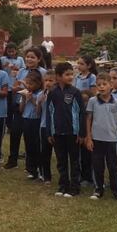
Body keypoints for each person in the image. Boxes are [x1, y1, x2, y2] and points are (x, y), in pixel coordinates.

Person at [44, 61, 85, 198]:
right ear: (58, 77)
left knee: (74, 161)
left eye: (71, 74)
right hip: (58, 133)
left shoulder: (75, 93)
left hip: (73, 133)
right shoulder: (52, 93)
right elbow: (49, 113)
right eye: (67, 74)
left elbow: (81, 113)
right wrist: (49, 132)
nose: (70, 77)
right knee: (61, 161)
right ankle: (63, 185)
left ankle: (74, 187)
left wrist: (81, 132)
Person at [84, 73, 117, 201]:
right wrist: (89, 137)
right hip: (97, 139)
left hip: (112, 140)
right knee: (97, 165)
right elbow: (88, 120)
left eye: (104, 84)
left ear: (111, 86)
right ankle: (98, 189)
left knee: (113, 166)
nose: (101, 87)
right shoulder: (93, 101)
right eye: (99, 85)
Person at [9, 48, 47, 170]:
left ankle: (32, 165)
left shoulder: (43, 72)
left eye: (32, 57)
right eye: (27, 57)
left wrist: (28, 89)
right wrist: (18, 89)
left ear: (38, 59)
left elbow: (44, 89)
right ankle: (13, 160)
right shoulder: (21, 71)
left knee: (33, 138)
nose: (29, 59)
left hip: (36, 107)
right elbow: (17, 87)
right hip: (21, 104)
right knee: (15, 132)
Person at [0, 42, 25, 170]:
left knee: (16, 109)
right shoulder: (3, 59)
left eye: (13, 50)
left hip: (18, 90)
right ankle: (9, 125)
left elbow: (22, 71)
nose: (11, 52)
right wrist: (5, 66)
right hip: (8, 87)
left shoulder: (20, 60)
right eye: (9, 50)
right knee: (8, 109)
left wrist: (16, 68)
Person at [75, 55, 97, 186]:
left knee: (87, 147)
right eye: (78, 63)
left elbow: (93, 93)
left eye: (82, 64)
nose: (79, 66)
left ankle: (88, 176)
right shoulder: (76, 77)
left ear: (88, 65)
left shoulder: (92, 77)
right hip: (78, 110)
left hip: (87, 110)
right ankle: (80, 173)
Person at [18, 70, 45, 180]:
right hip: (26, 120)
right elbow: (21, 110)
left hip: (36, 121)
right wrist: (24, 99)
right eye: (27, 83)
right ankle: (31, 169)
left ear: (38, 84)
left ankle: (40, 169)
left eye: (31, 84)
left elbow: (39, 110)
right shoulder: (25, 92)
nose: (28, 86)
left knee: (36, 145)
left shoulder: (40, 94)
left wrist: (32, 99)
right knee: (28, 145)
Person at [39, 70, 56, 183]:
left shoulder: (59, 94)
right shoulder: (42, 94)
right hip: (44, 126)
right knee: (45, 152)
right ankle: (46, 176)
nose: (48, 83)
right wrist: (39, 103)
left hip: (57, 127)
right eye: (46, 80)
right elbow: (38, 112)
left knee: (60, 153)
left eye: (51, 80)